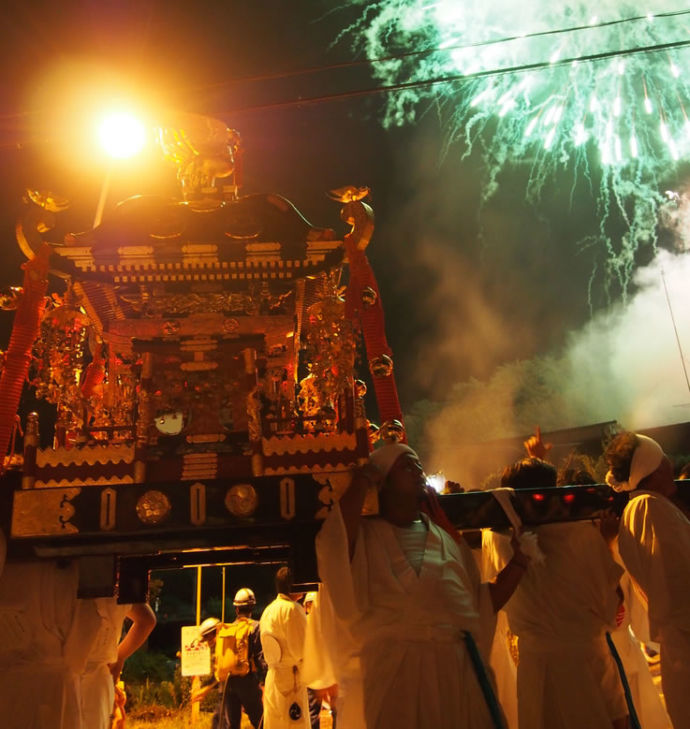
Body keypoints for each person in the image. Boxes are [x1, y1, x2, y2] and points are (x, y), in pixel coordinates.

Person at [316, 441, 530, 729]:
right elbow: (334, 541)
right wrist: (363, 480)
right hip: (395, 678)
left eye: (418, 465)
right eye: (406, 465)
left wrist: (519, 562)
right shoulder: (366, 538)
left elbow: (479, 605)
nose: (418, 470)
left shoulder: (447, 540)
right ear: (383, 482)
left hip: (455, 676)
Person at [484, 456, 630, 729]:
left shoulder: (496, 538)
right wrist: (607, 543)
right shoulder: (580, 535)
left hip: (538, 662)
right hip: (585, 659)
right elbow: (612, 609)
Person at [605, 432, 690, 729]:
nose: (669, 463)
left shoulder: (648, 506)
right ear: (654, 469)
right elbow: (677, 585)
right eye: (663, 458)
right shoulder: (647, 508)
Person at [80, 598, 156, 729]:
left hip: (63, 675)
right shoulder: (118, 588)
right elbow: (147, 620)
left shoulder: (60, 582)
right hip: (100, 677)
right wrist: (119, 657)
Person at [260, 566, 310, 729]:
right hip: (291, 680)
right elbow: (302, 650)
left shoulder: (268, 610)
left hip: (273, 678)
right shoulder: (292, 610)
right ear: (294, 585)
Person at [215, 588, 266, 729]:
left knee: (232, 725)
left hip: (227, 681)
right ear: (252, 607)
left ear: (236, 609)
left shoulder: (228, 629)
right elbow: (260, 658)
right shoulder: (255, 627)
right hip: (247, 680)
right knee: (261, 722)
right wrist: (266, 679)